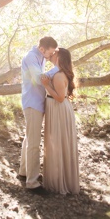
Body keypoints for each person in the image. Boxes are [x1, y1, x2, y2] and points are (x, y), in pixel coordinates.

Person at [19, 36, 58, 194]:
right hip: (32, 103)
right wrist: (58, 67)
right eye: (50, 52)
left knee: (30, 138)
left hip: (35, 103)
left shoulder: (39, 57)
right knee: (34, 143)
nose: (51, 55)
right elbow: (38, 79)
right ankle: (32, 183)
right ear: (42, 49)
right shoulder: (31, 57)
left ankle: (24, 172)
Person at [41, 48, 80, 194]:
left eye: (54, 53)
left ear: (60, 57)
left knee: (57, 142)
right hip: (57, 109)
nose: (52, 54)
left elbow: (59, 97)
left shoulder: (58, 76)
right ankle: (61, 178)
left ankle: (59, 182)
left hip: (58, 109)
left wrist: (46, 85)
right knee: (58, 142)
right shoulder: (56, 73)